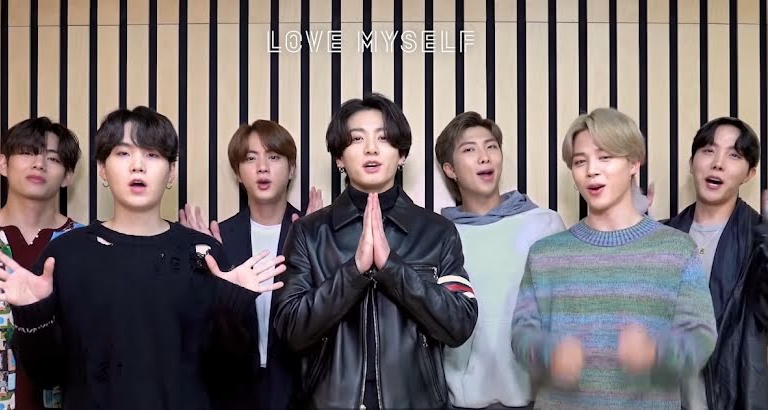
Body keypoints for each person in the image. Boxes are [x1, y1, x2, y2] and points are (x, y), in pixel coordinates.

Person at [0, 106, 284, 410]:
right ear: (102, 169)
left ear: (171, 172)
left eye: (152, 154)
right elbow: (46, 376)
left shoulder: (205, 255)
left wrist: (232, 306)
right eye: (123, 153)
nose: (138, 166)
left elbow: (232, 376)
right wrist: (34, 315)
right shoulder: (65, 254)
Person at [272, 93, 478, 409]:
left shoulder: (437, 232)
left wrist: (392, 268)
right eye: (357, 139)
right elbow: (290, 330)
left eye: (383, 138)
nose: (371, 148)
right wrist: (353, 272)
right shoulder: (309, 233)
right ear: (339, 158)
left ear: (402, 154)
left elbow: (459, 324)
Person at [511, 107, 717, 409]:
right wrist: (548, 353)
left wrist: (656, 353)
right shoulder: (545, 254)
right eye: (580, 161)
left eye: (605, 157)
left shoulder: (677, 249)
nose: (591, 170)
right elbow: (521, 335)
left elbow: (701, 336)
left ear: (634, 163)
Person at [179, 119, 322, 409]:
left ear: (291, 169)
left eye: (274, 157)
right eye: (250, 158)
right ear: (238, 172)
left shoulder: (312, 232)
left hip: (301, 389)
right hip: (234, 390)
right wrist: (205, 261)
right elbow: (201, 329)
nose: (262, 168)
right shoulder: (219, 237)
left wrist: (318, 242)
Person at [434, 111, 565, 410]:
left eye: (491, 146)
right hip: (460, 401)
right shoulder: (439, 236)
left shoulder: (543, 225)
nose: (485, 157)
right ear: (450, 169)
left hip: (535, 399)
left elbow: (566, 314)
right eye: (469, 149)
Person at [664, 117, 768, 409]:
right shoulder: (662, 235)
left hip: (734, 399)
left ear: (749, 173)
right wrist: (629, 228)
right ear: (692, 162)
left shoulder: (757, 241)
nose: (718, 163)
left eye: (734, 155)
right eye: (708, 151)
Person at [0, 117, 82, 409]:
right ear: (3, 164)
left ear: (67, 176)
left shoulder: (86, 244)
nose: (39, 164)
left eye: (53, 158)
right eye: (28, 152)